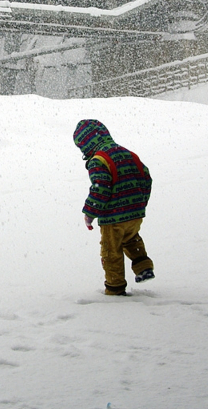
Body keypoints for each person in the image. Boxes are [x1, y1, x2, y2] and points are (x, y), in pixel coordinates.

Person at [73, 119, 154, 296]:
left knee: (111, 251)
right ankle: (143, 266)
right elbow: (146, 177)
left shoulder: (98, 160)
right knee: (131, 238)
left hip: (113, 217)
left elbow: (100, 188)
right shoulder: (128, 153)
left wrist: (89, 212)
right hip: (135, 213)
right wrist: (140, 202)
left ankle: (115, 287)